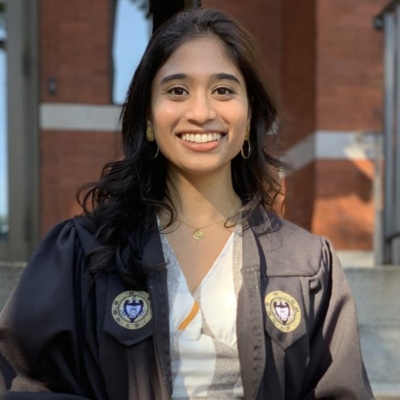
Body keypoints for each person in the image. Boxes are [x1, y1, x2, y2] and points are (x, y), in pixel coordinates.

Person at [0, 8, 374, 400]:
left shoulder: (306, 265)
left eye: (224, 90)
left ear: (249, 117)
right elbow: (21, 385)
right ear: (148, 116)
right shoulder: (84, 252)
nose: (200, 113)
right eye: (177, 90)